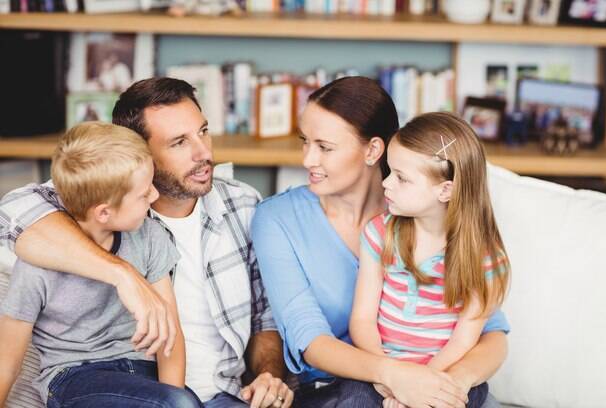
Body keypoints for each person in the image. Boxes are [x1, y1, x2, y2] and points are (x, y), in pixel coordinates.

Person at [0, 78, 293, 408]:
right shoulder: (103, 199)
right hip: (120, 388)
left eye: (204, 131)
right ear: (138, 151)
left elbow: (263, 320)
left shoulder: (243, 204)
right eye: (179, 142)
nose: (204, 152)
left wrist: (270, 375)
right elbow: (11, 213)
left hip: (221, 395)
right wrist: (122, 274)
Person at [251, 76, 510, 408]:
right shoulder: (276, 220)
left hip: (437, 380)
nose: (307, 160)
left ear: (373, 149)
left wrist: (444, 386)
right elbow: (310, 340)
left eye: (324, 147)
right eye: (305, 141)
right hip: (338, 390)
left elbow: (492, 334)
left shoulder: (422, 207)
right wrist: (396, 378)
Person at [0, 122, 200, 407]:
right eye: (144, 194)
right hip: (74, 377)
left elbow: (171, 336)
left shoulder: (150, 236)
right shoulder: (37, 264)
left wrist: (174, 395)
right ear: (104, 212)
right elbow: (6, 361)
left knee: (182, 401)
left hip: (144, 375)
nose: (155, 197)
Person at [349, 112, 511, 408]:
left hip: (444, 374)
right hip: (383, 370)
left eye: (401, 178)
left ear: (445, 190)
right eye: (390, 172)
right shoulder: (379, 234)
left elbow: (464, 341)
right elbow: (362, 319)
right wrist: (391, 379)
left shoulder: (484, 258)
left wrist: (421, 386)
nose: (386, 183)